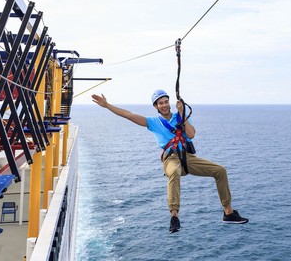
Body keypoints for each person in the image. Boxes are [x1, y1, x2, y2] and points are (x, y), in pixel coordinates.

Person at [91, 89, 248, 233]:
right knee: (174, 173)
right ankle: (174, 216)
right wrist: (107, 105)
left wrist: (182, 113)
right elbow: (129, 115)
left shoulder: (180, 116)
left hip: (187, 157)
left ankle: (228, 212)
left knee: (220, 170)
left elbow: (191, 135)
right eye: (161, 103)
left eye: (166, 101)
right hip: (171, 158)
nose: (164, 105)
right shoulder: (153, 122)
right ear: (156, 106)